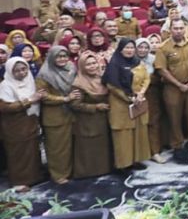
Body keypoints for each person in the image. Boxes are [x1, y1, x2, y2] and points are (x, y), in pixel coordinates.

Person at [104, 39, 151, 173]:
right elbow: (112, 86)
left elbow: (146, 78)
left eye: (131, 47)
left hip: (138, 101)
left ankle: (135, 160)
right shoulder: (114, 64)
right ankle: (123, 164)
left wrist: (141, 93)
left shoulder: (138, 62)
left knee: (137, 132)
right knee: (123, 135)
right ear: (120, 49)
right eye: (126, 48)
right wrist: (129, 98)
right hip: (121, 104)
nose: (129, 50)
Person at [155, 19, 188, 160]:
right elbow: (162, 70)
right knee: (175, 118)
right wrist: (179, 85)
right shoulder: (163, 48)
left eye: (181, 28)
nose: (178, 31)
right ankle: (177, 146)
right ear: (170, 29)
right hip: (173, 87)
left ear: (185, 29)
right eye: (175, 28)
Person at [0, 57, 45, 191]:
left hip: (30, 122)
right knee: (18, 154)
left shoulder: (30, 80)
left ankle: (34, 177)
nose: (21, 73)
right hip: (15, 126)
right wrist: (29, 100)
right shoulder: (5, 85)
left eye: (24, 69)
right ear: (10, 71)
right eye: (17, 71)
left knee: (32, 151)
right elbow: (5, 107)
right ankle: (19, 181)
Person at [36, 46, 79, 184]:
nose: (62, 59)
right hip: (54, 116)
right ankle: (58, 175)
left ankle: (70, 171)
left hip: (71, 114)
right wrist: (65, 99)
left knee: (70, 146)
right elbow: (43, 96)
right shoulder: (45, 74)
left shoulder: (71, 68)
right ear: (51, 58)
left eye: (64, 56)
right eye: (58, 56)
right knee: (57, 148)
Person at [70, 50, 112, 178]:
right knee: (89, 148)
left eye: (94, 63)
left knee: (102, 147)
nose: (93, 66)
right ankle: (87, 173)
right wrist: (95, 107)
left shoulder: (102, 78)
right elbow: (75, 105)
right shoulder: (78, 84)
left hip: (102, 120)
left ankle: (104, 170)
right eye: (88, 64)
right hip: (86, 122)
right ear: (82, 66)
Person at [137, 35, 165, 163]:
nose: (142, 50)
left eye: (145, 47)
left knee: (153, 121)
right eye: (140, 47)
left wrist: (148, 79)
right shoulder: (130, 60)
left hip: (152, 94)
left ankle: (155, 151)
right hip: (135, 96)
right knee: (139, 124)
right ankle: (140, 153)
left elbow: (160, 77)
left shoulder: (154, 59)